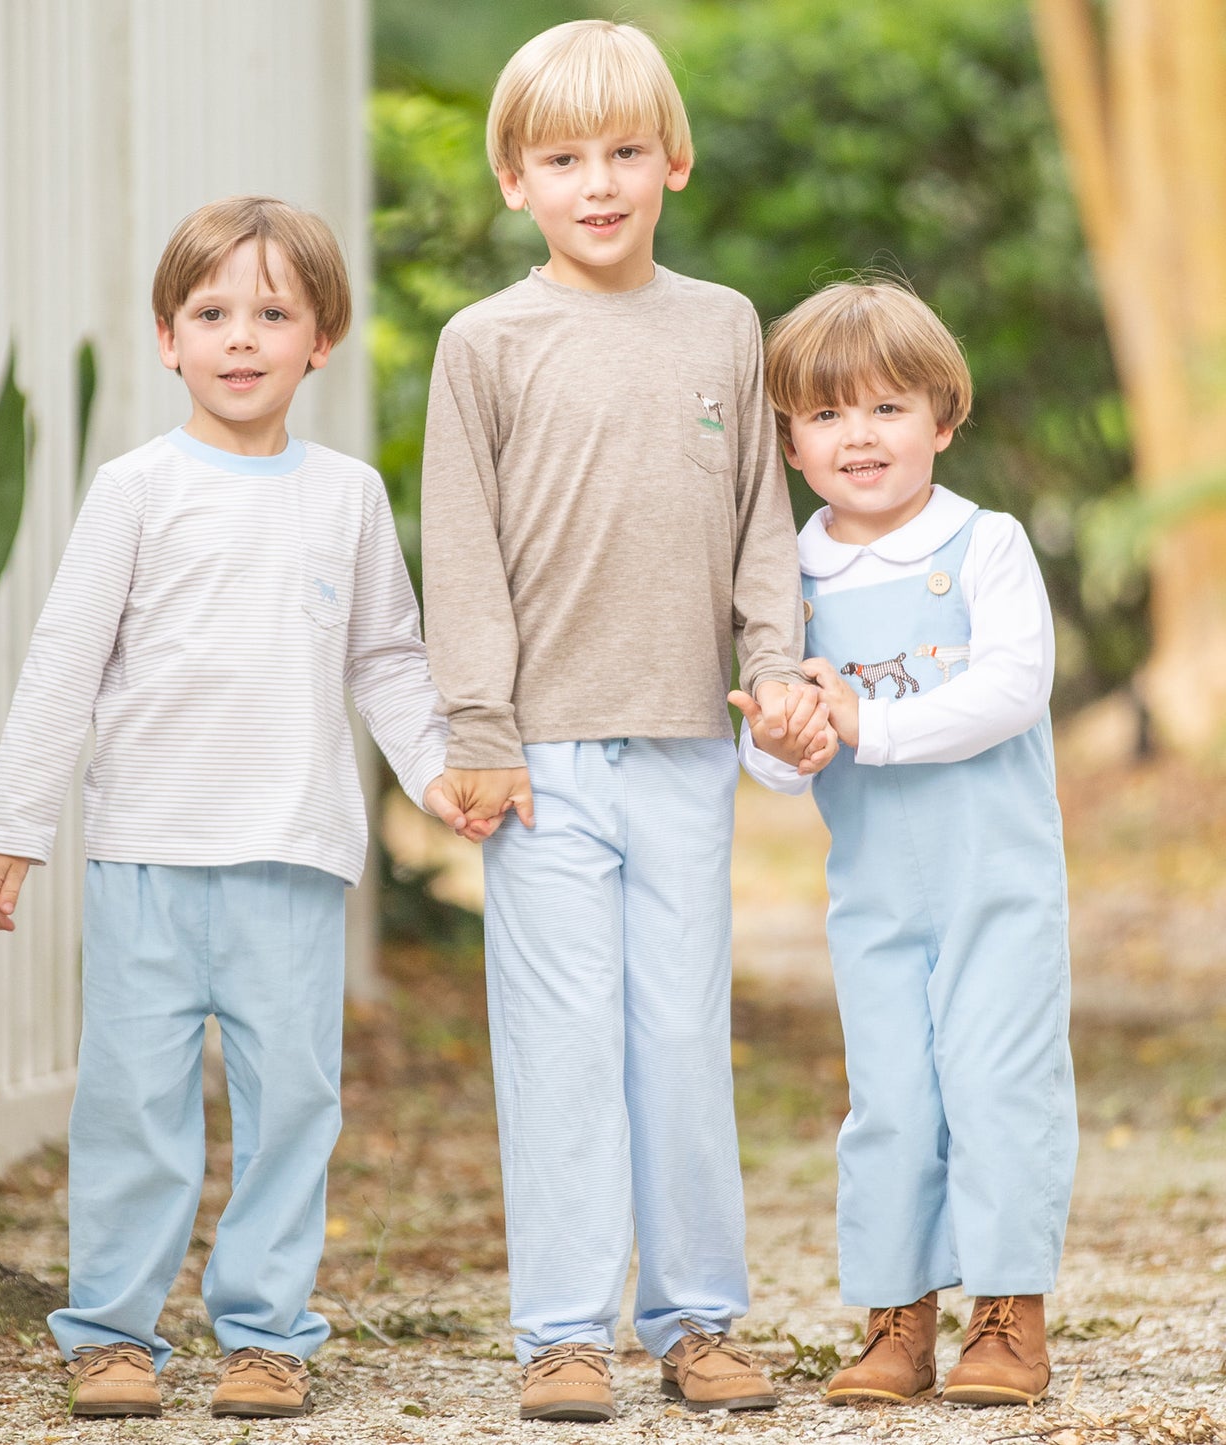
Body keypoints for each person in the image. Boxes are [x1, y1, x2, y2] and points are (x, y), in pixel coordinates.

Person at [0, 195, 483, 1421]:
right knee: (133, 1105)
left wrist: (437, 772)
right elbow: (64, 659)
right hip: (146, 853)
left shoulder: (347, 495)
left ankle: (264, 1332)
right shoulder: (136, 487)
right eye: (211, 313)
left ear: (320, 340)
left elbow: (386, 659)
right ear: (167, 338)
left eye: (272, 312)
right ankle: (109, 1333)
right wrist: (12, 822)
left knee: (291, 1103)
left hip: (291, 857)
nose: (240, 337)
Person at [421, 19, 835, 1424]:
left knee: (677, 1033)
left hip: (683, 746)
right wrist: (474, 727)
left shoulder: (724, 323)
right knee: (557, 1043)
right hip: (536, 758)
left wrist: (776, 660)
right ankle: (560, 1333)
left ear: (673, 159)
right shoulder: (484, 341)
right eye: (559, 157)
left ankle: (699, 1320)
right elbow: (460, 548)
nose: (595, 182)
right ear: (513, 179)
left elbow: (756, 527)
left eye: (620, 152)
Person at [733, 278, 1077, 1408]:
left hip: (995, 884)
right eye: (825, 414)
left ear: (942, 416)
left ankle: (1006, 1313)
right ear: (787, 440)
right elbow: (774, 755)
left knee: (994, 1084)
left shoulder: (983, 545)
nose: (858, 436)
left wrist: (863, 722)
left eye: (886, 408)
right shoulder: (785, 578)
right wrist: (789, 734)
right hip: (874, 893)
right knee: (888, 1097)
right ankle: (894, 1314)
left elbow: (1011, 690)